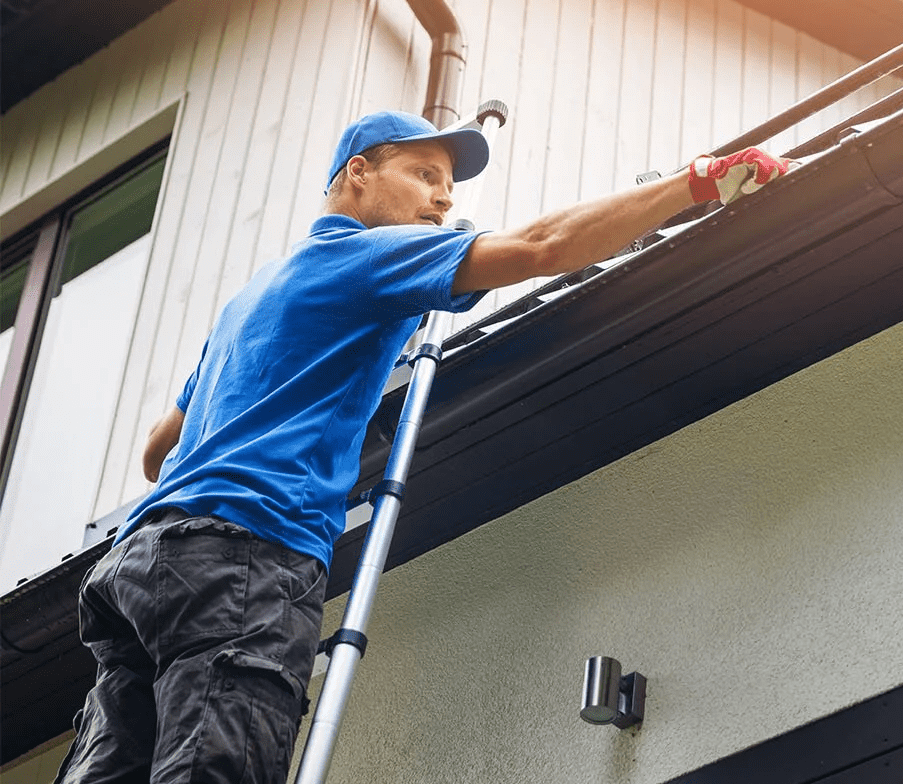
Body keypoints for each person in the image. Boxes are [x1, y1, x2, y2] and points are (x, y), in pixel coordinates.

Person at [55, 110, 791, 784]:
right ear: (358, 174)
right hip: (243, 560)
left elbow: (159, 448)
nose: (442, 199)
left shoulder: (252, 297)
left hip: (140, 565)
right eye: (425, 175)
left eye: (448, 185)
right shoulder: (368, 257)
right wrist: (694, 181)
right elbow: (543, 246)